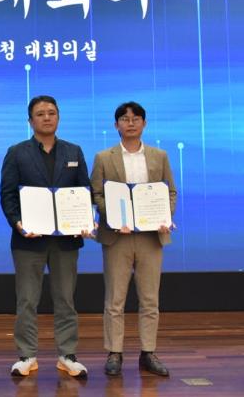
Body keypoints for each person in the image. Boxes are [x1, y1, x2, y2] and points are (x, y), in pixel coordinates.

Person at [0, 95, 92, 379]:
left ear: (59, 117)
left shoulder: (74, 151)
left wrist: (85, 220)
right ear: (30, 120)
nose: (47, 117)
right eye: (40, 113)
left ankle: (67, 354)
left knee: (65, 299)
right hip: (28, 239)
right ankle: (27, 355)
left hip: (66, 240)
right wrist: (18, 224)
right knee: (27, 300)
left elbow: (84, 191)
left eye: (52, 112)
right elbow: (8, 194)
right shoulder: (17, 152)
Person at [91, 102, 177, 377]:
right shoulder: (103, 157)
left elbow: (169, 192)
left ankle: (148, 352)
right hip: (118, 236)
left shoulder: (159, 156)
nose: (130, 123)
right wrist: (115, 217)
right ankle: (114, 352)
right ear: (116, 125)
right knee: (115, 299)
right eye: (125, 119)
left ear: (144, 123)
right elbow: (96, 193)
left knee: (150, 299)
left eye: (136, 118)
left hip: (151, 236)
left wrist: (165, 215)